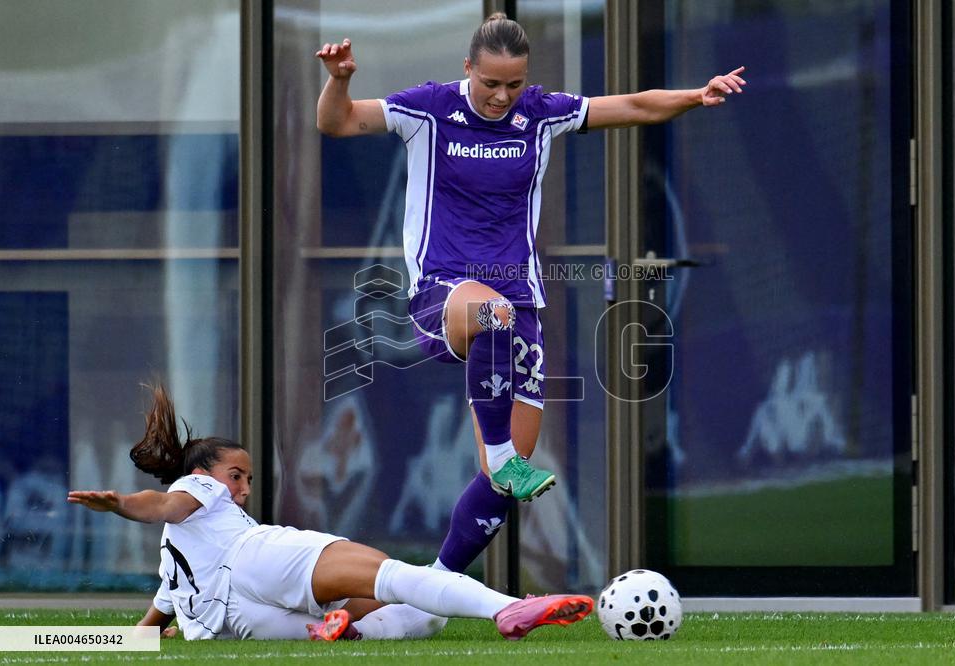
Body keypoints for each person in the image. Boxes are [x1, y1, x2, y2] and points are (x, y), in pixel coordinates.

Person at [315, 13, 746, 576]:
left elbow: (634, 106)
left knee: (508, 479)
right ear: (467, 69)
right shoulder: (428, 110)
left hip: (520, 300)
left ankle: (435, 591)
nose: (501, 96)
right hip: (442, 292)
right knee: (492, 329)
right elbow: (338, 123)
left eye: (513, 85)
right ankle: (497, 456)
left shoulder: (541, 114)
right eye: (490, 83)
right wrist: (339, 80)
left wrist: (697, 94)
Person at [67, 384, 592, 641]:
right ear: (204, 471)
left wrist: (65, 639)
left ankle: (351, 628)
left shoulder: (174, 562)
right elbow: (162, 504)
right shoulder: (199, 486)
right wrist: (119, 504)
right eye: (237, 476)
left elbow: (148, 627)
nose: (243, 489)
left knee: (386, 619)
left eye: (248, 480)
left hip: (230, 621)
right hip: (256, 561)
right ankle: (503, 608)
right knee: (392, 576)